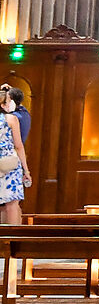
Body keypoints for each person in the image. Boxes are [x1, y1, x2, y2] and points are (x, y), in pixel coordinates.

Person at [0, 86, 28, 226]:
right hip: (10, 165)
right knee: (11, 205)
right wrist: (26, 170)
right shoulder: (11, 119)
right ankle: (11, 242)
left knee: (3, 207)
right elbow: (19, 146)